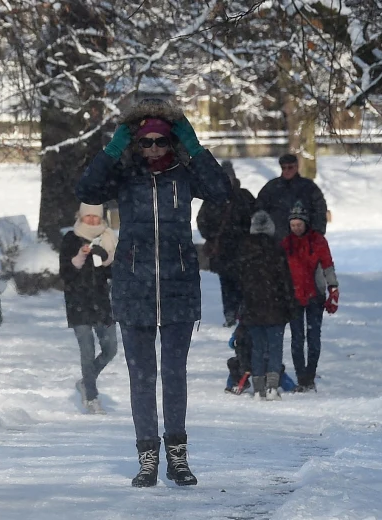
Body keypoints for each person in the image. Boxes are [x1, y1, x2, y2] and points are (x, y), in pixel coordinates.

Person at [75, 98, 229, 487]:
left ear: (172, 141)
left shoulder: (185, 174)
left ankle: (178, 458)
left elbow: (221, 191)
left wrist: (194, 147)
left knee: (174, 374)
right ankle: (147, 459)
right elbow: (87, 186)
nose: (155, 149)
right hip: (133, 286)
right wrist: (113, 148)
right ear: (136, 144)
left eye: (162, 141)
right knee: (141, 376)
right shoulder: (125, 175)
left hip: (179, 286)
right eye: (147, 142)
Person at [59, 203, 120, 415]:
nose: (92, 221)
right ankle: (92, 396)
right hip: (78, 303)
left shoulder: (108, 237)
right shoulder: (71, 238)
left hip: (102, 303)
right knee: (87, 350)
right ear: (81, 217)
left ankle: (86, 381)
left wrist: (107, 260)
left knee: (111, 348)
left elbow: (114, 273)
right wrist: (78, 259)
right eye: (88, 217)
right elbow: (64, 273)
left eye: (96, 217)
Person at [238, 210, 298, 400]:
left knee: (257, 347)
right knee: (274, 347)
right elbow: (286, 282)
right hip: (276, 308)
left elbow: (239, 282)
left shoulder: (245, 251)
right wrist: (290, 305)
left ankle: (258, 388)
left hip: (253, 308)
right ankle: (272, 386)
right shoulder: (278, 250)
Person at [282, 202, 339, 392]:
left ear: (306, 223)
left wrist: (333, 288)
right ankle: (301, 376)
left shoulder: (318, 241)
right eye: (293, 225)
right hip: (294, 297)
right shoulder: (286, 243)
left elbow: (327, 265)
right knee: (297, 339)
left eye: (299, 225)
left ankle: (310, 375)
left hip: (315, 295)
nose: (296, 228)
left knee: (313, 338)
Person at [196, 161, 256, 327]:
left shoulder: (244, 197)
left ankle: (242, 314)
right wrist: (211, 236)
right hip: (222, 250)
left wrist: (248, 236)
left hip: (243, 249)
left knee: (243, 284)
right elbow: (201, 220)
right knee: (227, 284)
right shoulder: (212, 198)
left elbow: (256, 217)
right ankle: (230, 315)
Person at [257, 154, 328, 242]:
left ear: (297, 167)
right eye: (283, 168)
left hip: (303, 241)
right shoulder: (271, 187)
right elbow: (259, 211)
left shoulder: (309, 187)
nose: (287, 170)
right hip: (276, 242)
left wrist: (316, 235)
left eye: (290, 167)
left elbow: (320, 211)